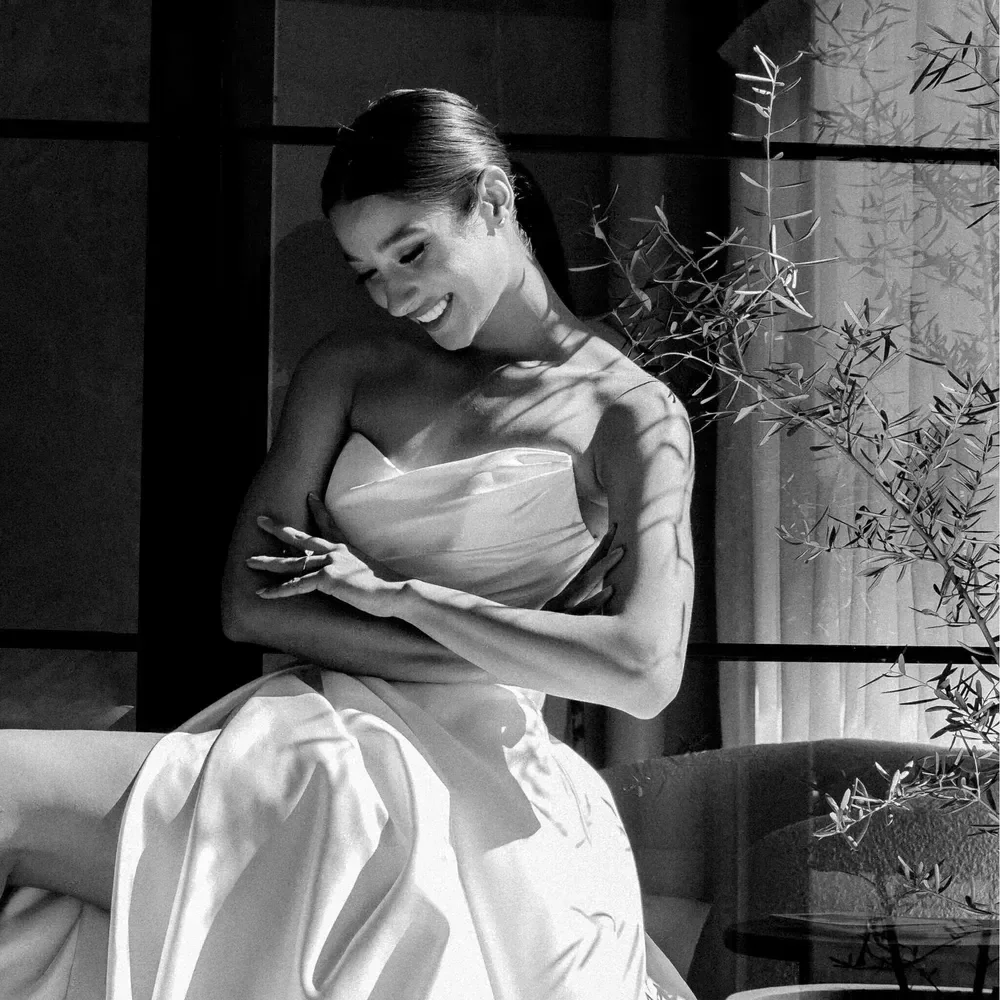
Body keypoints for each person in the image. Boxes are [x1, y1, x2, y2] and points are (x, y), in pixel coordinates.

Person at [0, 88, 695, 1000]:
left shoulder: (631, 411)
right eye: (369, 271)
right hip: (306, 733)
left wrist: (404, 598)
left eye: (413, 251)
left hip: (467, 775)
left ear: (490, 202)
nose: (398, 294)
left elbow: (645, 668)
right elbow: (245, 603)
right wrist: (511, 650)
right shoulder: (350, 368)